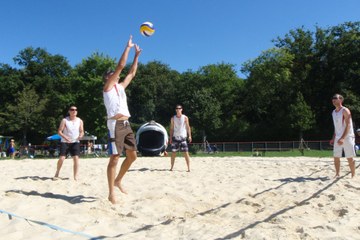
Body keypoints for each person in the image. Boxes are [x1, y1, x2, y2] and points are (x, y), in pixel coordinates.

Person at [103, 35, 142, 204]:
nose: (116, 75)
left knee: (132, 156)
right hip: (115, 125)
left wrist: (136, 56)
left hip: (126, 124)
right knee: (115, 158)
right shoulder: (107, 88)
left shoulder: (120, 87)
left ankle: (118, 180)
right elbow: (120, 66)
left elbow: (131, 73)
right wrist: (127, 47)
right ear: (108, 78)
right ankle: (111, 192)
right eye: (112, 75)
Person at [54, 106, 84, 180]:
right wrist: (65, 137)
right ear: (69, 111)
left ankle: (75, 176)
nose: (74, 111)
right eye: (72, 110)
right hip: (65, 142)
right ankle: (57, 172)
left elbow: (82, 131)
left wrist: (81, 135)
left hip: (75, 141)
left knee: (76, 158)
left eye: (75, 110)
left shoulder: (79, 120)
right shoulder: (65, 120)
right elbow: (59, 131)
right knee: (62, 158)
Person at [330, 94, 356, 178]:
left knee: (349, 157)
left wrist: (343, 138)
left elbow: (348, 125)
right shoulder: (333, 112)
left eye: (335, 98)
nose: (333, 100)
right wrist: (333, 137)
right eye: (332, 98)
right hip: (338, 137)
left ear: (340, 100)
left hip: (347, 136)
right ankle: (337, 174)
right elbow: (336, 127)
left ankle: (353, 175)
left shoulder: (345, 110)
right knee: (336, 157)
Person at [169, 104, 192, 172]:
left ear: (182, 109)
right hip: (175, 137)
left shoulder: (185, 117)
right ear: (176, 110)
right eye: (177, 108)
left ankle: (188, 168)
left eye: (179, 108)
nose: (178, 109)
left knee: (186, 153)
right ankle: (171, 167)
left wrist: (190, 136)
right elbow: (171, 128)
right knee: (173, 153)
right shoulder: (173, 118)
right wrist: (170, 138)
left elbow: (188, 127)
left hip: (183, 138)